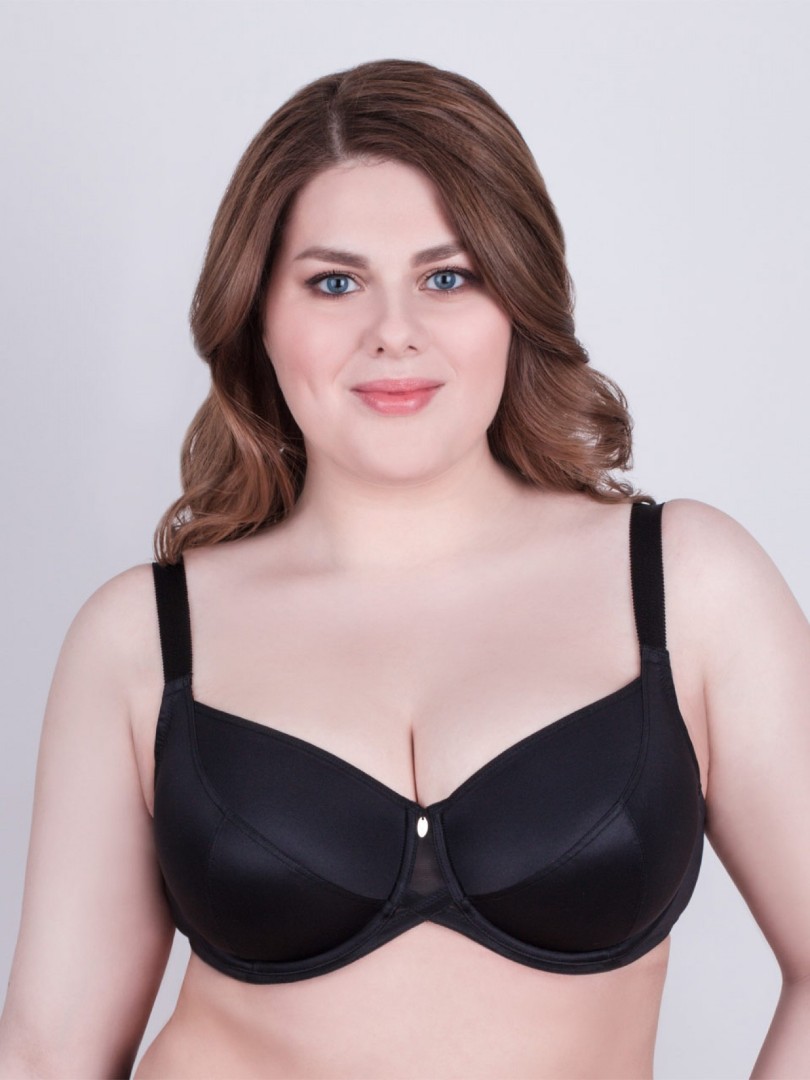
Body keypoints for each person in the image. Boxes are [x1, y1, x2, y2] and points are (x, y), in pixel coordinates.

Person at [1, 56, 808, 1080]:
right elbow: (52, 1049)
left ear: (515, 300)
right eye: (335, 283)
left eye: (447, 277)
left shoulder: (685, 585)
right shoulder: (142, 638)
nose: (393, 333)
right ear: (259, 311)